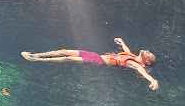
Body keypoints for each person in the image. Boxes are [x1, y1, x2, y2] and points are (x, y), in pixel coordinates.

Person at [21, 37, 159, 90]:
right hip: (94, 55)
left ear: (146, 61)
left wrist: (152, 80)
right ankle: (36, 54)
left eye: (150, 54)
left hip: (97, 61)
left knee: (67, 58)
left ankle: (35, 59)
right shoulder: (132, 56)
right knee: (64, 51)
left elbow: (142, 72)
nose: (148, 51)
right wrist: (122, 42)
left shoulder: (137, 64)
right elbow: (126, 51)